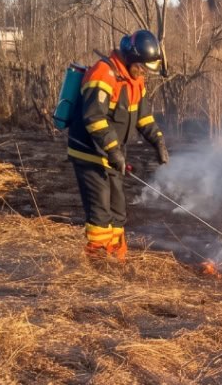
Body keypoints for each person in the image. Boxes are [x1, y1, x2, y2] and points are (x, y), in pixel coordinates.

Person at [67, 29, 170, 258]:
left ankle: (116, 257)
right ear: (132, 57)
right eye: (141, 66)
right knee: (101, 211)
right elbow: (94, 118)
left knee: (118, 209)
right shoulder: (103, 74)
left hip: (112, 154)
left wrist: (158, 142)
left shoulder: (135, 80)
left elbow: (143, 116)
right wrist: (113, 150)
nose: (144, 72)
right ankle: (97, 263)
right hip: (89, 153)